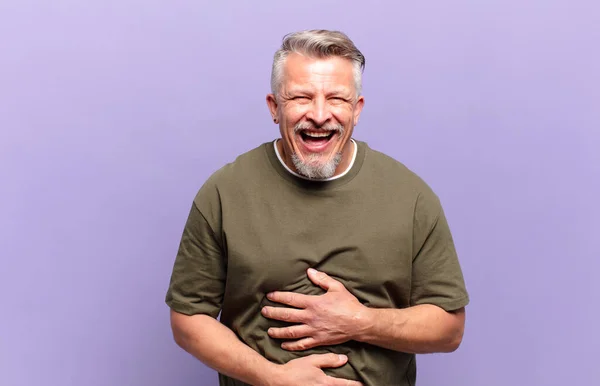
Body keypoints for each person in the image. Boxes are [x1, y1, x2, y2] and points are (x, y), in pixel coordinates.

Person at [165, 29, 469, 386]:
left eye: (336, 98)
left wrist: (361, 321)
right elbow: (188, 320)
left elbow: (449, 329)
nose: (320, 115)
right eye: (301, 97)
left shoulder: (412, 197)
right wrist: (273, 377)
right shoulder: (223, 193)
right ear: (274, 107)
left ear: (357, 110)